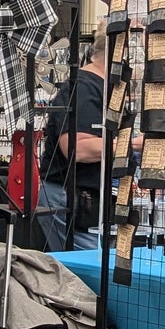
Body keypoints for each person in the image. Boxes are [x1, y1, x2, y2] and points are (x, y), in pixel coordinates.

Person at [38, 35, 108, 252]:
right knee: (85, 270)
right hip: (72, 197)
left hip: (86, 197)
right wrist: (130, 144)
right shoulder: (84, 88)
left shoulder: (101, 87)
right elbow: (78, 149)